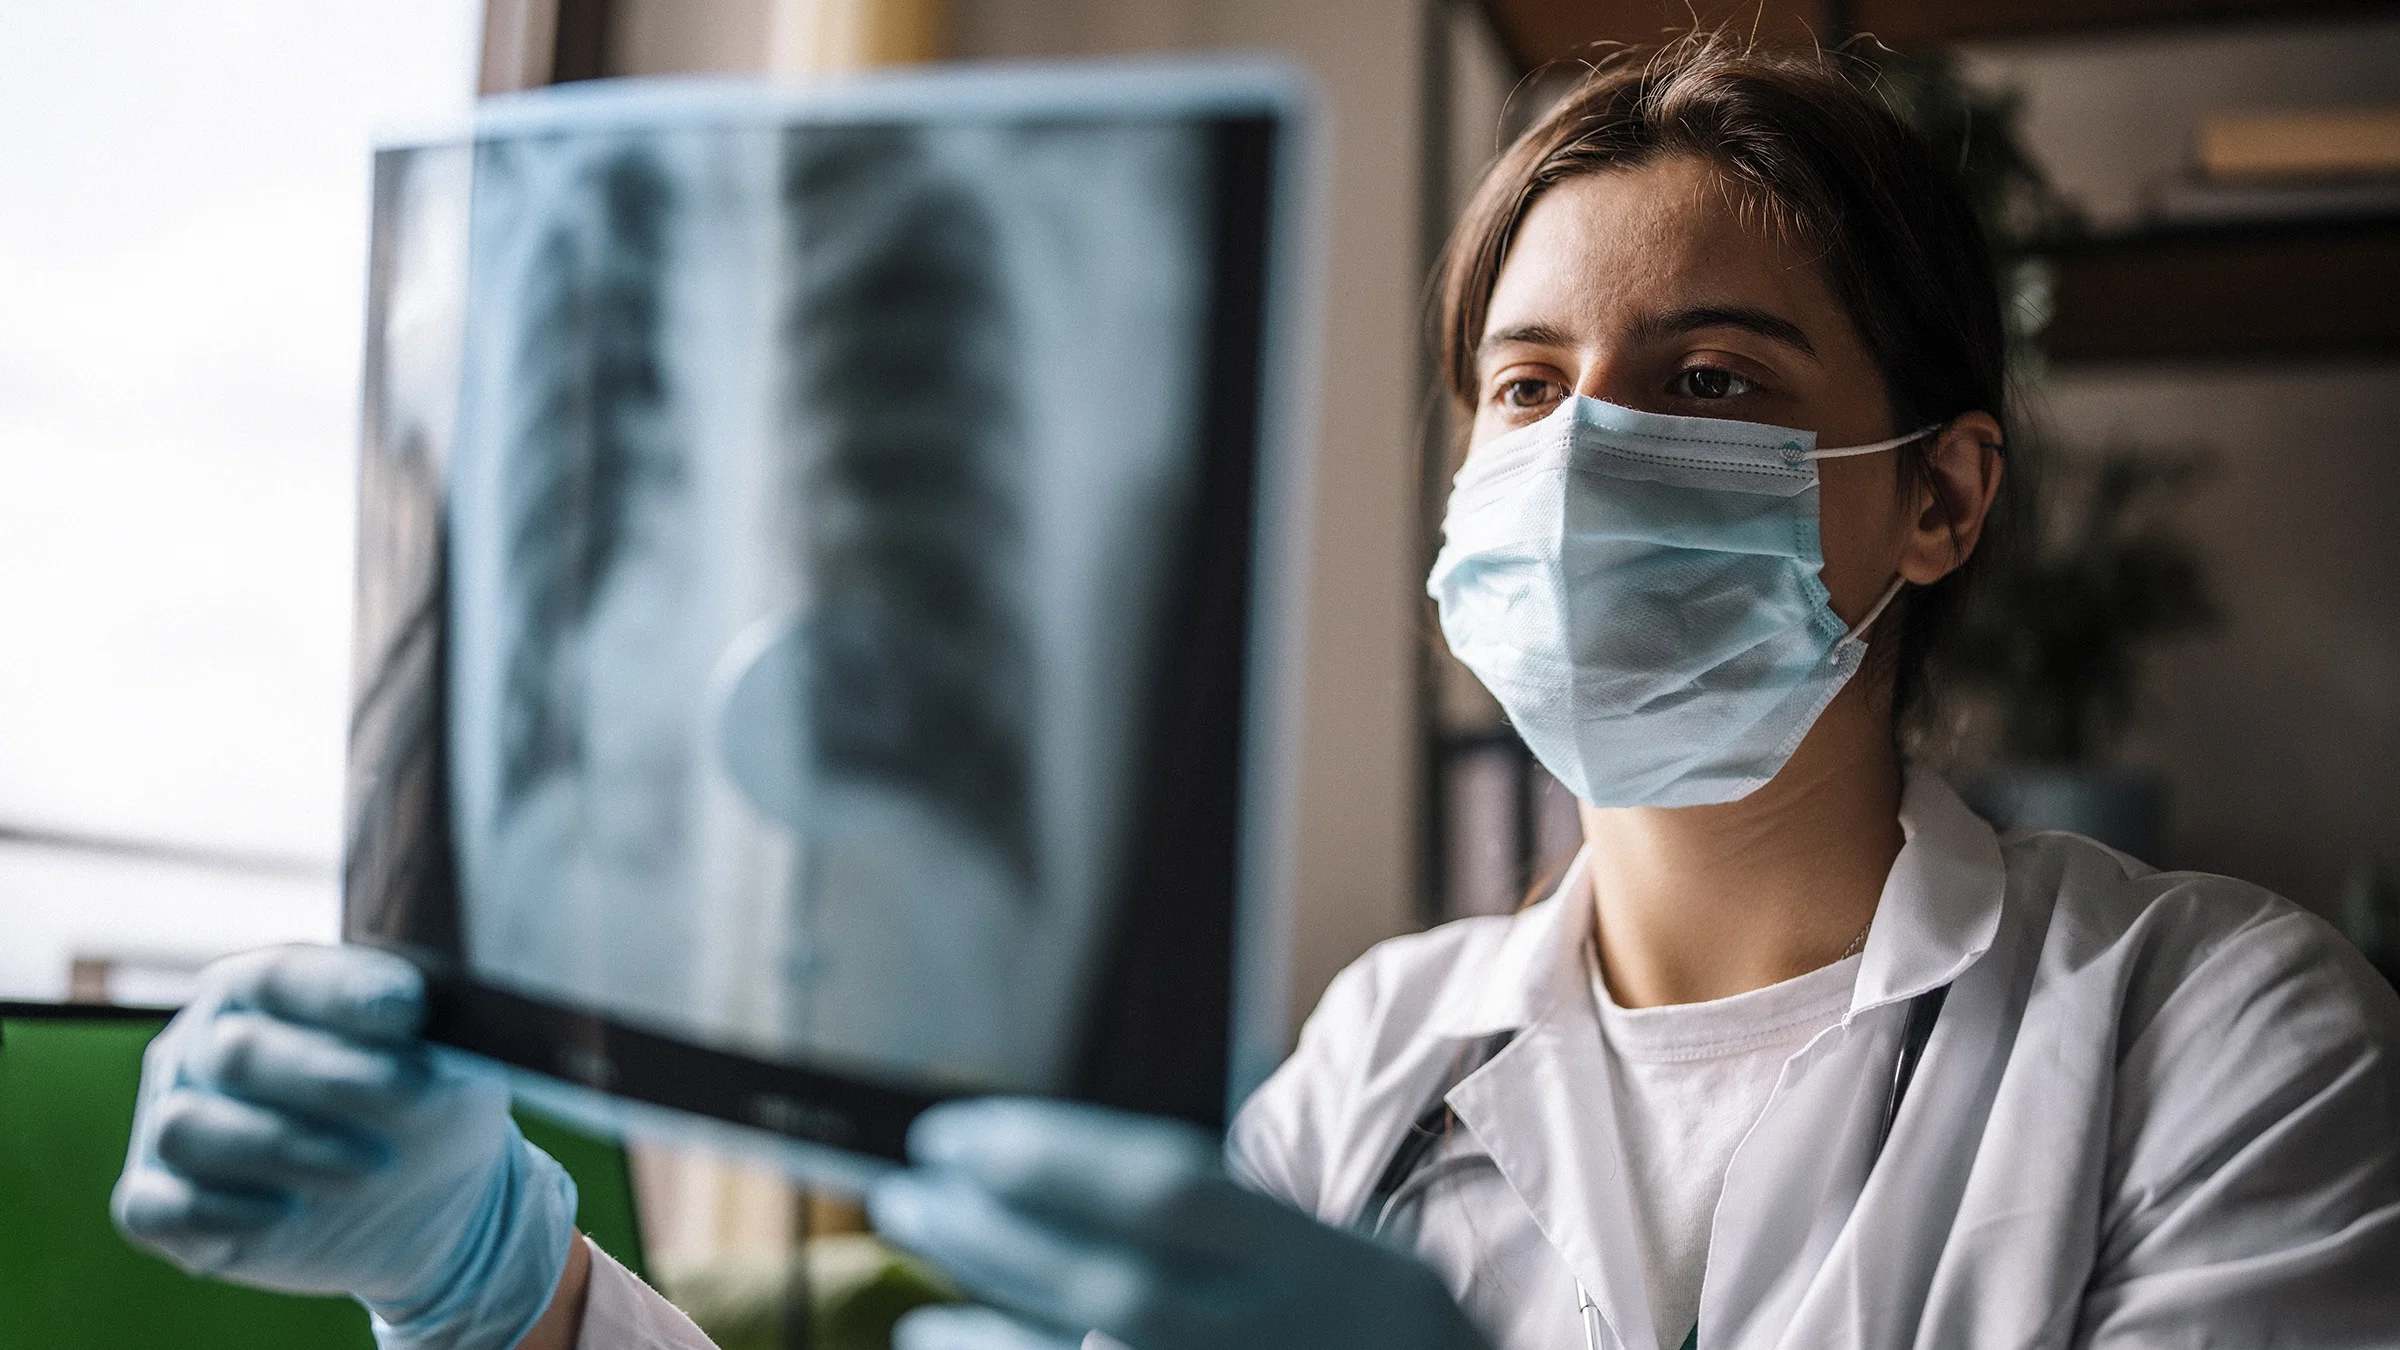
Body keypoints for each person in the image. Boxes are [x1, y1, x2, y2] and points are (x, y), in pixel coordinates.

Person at [112, 37, 2399, 1350]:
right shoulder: (1365, 1070)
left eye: (1708, 380)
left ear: (1944, 494)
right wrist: (501, 1281)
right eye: (1526, 386)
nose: (1586, 455)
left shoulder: (2220, 1039)